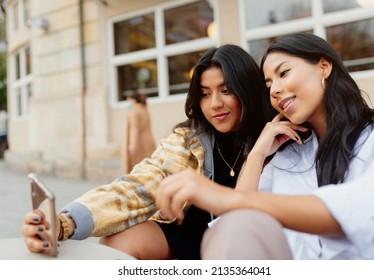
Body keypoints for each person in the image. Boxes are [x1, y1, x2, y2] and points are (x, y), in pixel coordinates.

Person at [22, 44, 273, 260]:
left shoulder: (275, 137)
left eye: (226, 90)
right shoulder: (189, 141)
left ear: (246, 88)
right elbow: (136, 187)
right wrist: (65, 222)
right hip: (191, 238)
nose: (215, 103)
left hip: (248, 244)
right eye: (205, 94)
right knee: (118, 242)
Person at [156, 33, 374, 259]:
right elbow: (231, 228)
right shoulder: (289, 156)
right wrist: (257, 154)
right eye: (268, 84)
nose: (275, 90)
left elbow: (368, 210)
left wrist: (223, 197)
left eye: (284, 73)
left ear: (324, 67)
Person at [122, 91, 156, 174]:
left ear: (133, 100)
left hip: (139, 143)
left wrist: (132, 145)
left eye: (129, 100)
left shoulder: (134, 111)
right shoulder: (144, 109)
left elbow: (135, 128)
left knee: (137, 170)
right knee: (149, 168)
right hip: (148, 142)